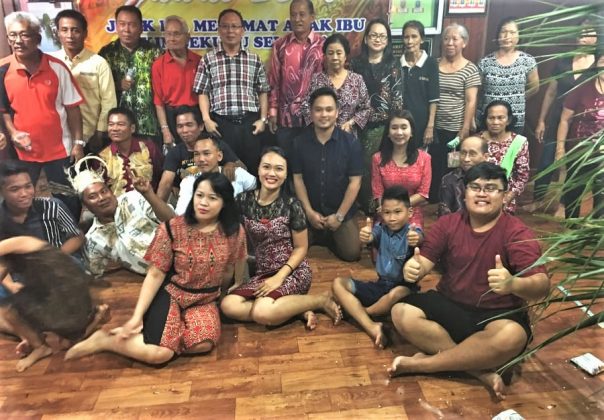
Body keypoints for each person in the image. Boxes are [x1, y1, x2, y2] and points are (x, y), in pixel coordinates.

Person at [388, 162, 549, 400]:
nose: (482, 193)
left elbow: (542, 285)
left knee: (512, 337)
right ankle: (477, 370)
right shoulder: (448, 224)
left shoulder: (517, 232)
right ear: (465, 193)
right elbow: (425, 261)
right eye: (475, 187)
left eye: (491, 188)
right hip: (450, 304)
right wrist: (414, 268)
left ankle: (424, 365)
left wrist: (513, 284)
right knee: (401, 312)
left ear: (504, 196)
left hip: (497, 315)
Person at [65, 173, 247, 365]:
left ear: (225, 203)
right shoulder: (173, 228)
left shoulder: (234, 231)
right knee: (161, 355)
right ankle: (105, 340)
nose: (203, 203)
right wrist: (136, 317)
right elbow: (154, 274)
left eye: (212, 198)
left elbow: (228, 270)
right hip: (172, 293)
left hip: (204, 299)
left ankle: (160, 335)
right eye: (199, 195)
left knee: (202, 344)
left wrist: (223, 295)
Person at [221, 147, 342, 328]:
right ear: (258, 169)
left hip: (293, 271)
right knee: (228, 305)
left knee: (262, 312)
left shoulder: (292, 205)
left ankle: (320, 300)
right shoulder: (242, 200)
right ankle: (296, 309)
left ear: (285, 175)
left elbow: (301, 248)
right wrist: (239, 278)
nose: (272, 173)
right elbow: (237, 240)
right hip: (263, 273)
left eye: (279, 169)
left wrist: (279, 277)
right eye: (266, 167)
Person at [0, 11, 84, 218]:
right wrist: (13, 133)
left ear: (37, 38)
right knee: (21, 199)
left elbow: (72, 108)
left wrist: (78, 143)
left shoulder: (57, 68)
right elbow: (4, 110)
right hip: (23, 152)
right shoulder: (2, 69)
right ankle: (31, 232)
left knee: (67, 196)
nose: (18, 41)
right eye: (13, 35)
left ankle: (70, 231)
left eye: (24, 35)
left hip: (60, 149)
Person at [0, 235, 110, 372]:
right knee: (65, 342)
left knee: (8, 310)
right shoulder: (16, 247)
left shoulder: (16, 242)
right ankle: (95, 315)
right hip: (55, 291)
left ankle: (41, 347)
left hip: (62, 293)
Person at [332, 186, 422, 348]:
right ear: (381, 212)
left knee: (397, 293)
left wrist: (417, 239)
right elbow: (371, 235)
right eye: (387, 213)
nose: (392, 218)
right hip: (381, 286)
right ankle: (371, 323)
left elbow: (419, 237)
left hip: (404, 290)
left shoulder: (412, 232)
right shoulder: (381, 229)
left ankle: (361, 312)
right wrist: (366, 236)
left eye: (397, 212)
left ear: (409, 212)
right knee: (338, 283)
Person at [194, 8, 271, 176]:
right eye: (225, 26)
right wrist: (206, 119)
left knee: (252, 172)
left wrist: (263, 119)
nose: (230, 31)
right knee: (224, 174)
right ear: (219, 30)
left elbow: (263, 91)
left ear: (242, 30)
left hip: (250, 125)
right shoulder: (208, 60)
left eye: (235, 26)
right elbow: (202, 92)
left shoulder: (254, 59)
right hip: (221, 126)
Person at [530, 23, 597, 210]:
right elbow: (551, 92)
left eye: (588, 33)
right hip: (557, 118)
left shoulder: (598, 64)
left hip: (583, 123)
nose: (583, 37)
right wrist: (541, 120)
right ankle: (538, 200)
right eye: (580, 33)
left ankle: (563, 205)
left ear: (596, 38)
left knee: (572, 165)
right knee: (546, 160)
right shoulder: (563, 61)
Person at [72, 156, 175, 278]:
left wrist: (149, 194)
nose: (102, 198)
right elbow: (94, 275)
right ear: (85, 205)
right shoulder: (94, 239)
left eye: (104, 191)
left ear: (111, 191)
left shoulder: (132, 199)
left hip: (181, 260)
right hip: (154, 279)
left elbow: (172, 220)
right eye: (93, 196)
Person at [292, 87, 363, 262]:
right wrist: (309, 212)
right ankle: (322, 234)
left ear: (337, 112)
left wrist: (339, 216)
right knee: (293, 248)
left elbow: (355, 182)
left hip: (340, 211)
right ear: (311, 112)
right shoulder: (299, 143)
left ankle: (329, 235)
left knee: (352, 253)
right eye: (318, 110)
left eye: (329, 109)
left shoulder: (351, 143)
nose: (324, 114)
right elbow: (298, 179)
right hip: (310, 211)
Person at [0, 160, 84, 297]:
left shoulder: (53, 206)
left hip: (56, 263)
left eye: (28, 186)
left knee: (76, 266)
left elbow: (77, 237)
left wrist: (54, 258)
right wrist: (10, 284)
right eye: (15, 189)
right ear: (2, 192)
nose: (24, 193)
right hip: (19, 273)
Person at [350, 18, 403, 214]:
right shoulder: (355, 64)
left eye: (382, 36)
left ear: (387, 40)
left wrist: (394, 126)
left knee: (380, 166)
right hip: (357, 124)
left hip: (384, 125)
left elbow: (397, 97)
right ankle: (363, 204)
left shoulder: (393, 64)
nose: (378, 39)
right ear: (366, 39)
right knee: (359, 165)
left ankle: (379, 205)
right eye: (373, 35)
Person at [50, 10, 117, 154]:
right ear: (57, 33)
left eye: (75, 30)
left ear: (85, 33)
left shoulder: (98, 63)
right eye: (64, 30)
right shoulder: (50, 63)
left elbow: (109, 101)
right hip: (59, 138)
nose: (70, 35)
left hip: (90, 137)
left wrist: (100, 132)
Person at [268, 0, 324, 156]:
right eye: (293, 15)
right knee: (286, 162)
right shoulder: (280, 45)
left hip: (315, 119)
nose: (297, 19)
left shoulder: (323, 45)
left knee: (312, 163)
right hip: (286, 120)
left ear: (312, 17)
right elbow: (274, 81)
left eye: (302, 14)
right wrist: (272, 112)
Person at [433, 23, 481, 203]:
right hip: (434, 128)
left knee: (452, 166)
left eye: (455, 39)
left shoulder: (470, 69)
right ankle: (435, 199)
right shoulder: (433, 65)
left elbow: (471, 100)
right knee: (434, 164)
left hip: (455, 129)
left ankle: (451, 200)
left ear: (464, 42)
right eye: (446, 39)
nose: (450, 43)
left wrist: (465, 128)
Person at [99, 5, 161, 142]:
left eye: (132, 25)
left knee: (150, 156)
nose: (126, 30)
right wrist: (117, 85)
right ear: (116, 26)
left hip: (148, 125)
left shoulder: (154, 52)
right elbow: (98, 89)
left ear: (141, 28)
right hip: (118, 128)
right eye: (122, 24)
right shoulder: (107, 53)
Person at [156, 106, 242, 202]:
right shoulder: (174, 152)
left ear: (201, 126)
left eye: (189, 125)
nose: (184, 130)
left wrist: (231, 164)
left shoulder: (216, 145)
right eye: (180, 126)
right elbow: (166, 183)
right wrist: (157, 209)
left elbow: (243, 167)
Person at [555, 51, 604, 219]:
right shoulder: (582, 88)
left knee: (601, 194)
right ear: (596, 64)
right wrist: (560, 148)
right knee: (573, 192)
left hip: (602, 155)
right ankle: (571, 226)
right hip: (578, 150)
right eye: (602, 61)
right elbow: (564, 120)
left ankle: (594, 228)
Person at [301, 34, 370, 138]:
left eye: (339, 53)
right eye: (330, 53)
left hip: (348, 137)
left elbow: (366, 108)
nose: (335, 57)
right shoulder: (317, 79)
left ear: (345, 55)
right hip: (321, 137)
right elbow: (305, 106)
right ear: (325, 56)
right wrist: (320, 123)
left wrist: (351, 123)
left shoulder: (357, 80)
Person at [478, 17, 539, 134]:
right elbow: (477, 90)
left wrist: (518, 98)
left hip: (515, 119)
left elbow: (534, 87)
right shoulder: (485, 62)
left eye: (512, 32)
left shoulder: (528, 61)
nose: (507, 36)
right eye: (504, 32)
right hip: (489, 120)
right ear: (498, 34)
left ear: (519, 36)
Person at [372, 111, 431, 228]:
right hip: (386, 213)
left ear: (411, 132)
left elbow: (423, 193)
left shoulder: (424, 158)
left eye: (404, 127)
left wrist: (397, 207)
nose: (399, 132)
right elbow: (378, 192)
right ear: (388, 133)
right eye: (394, 128)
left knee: (412, 237)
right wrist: (389, 210)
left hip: (411, 213)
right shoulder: (377, 158)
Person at [151, 15, 201, 148]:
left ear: (187, 37)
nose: (172, 38)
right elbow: (158, 102)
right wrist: (165, 130)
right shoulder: (158, 65)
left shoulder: (199, 61)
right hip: (172, 118)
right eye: (168, 34)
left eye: (177, 34)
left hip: (196, 116)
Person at [175, 136, 256, 215]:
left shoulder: (237, 173)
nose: (201, 159)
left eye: (206, 153)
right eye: (196, 154)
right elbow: (181, 215)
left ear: (219, 156)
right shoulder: (189, 182)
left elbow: (259, 192)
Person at [98, 107, 163, 197]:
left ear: (132, 128)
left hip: (149, 202)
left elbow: (161, 176)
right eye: (111, 124)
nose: (114, 128)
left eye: (120, 124)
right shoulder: (102, 157)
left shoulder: (149, 148)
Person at [479, 100, 529, 214]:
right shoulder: (477, 140)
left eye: (500, 118)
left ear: (508, 120)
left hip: (504, 196)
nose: (495, 122)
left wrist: (507, 197)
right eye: (491, 118)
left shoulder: (519, 142)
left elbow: (522, 176)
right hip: (479, 194)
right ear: (485, 119)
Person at [400, 20, 439, 149]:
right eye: (406, 37)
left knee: (419, 157)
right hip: (401, 124)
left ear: (422, 39)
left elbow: (434, 99)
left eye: (414, 36)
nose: (409, 41)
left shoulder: (431, 63)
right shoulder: (397, 64)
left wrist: (430, 127)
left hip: (422, 124)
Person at [437, 136, 489, 217]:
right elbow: (444, 216)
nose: (466, 159)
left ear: (485, 157)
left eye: (472, 154)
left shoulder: (493, 179)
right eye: (463, 153)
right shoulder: (449, 180)